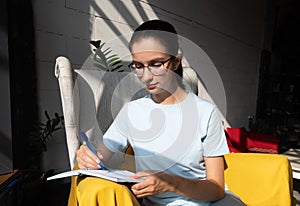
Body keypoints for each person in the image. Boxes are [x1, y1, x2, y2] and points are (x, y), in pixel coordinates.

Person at [73, 19, 245, 206]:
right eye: (138, 66)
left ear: (176, 61)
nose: (146, 77)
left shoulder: (206, 112)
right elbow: (100, 157)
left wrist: (170, 183)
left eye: (156, 64)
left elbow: (216, 188)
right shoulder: (133, 112)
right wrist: (88, 157)